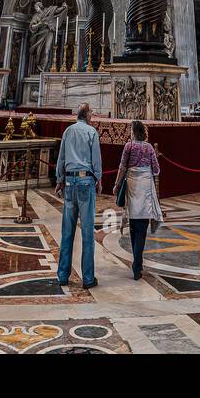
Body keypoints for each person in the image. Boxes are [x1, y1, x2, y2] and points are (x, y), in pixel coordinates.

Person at [55, 102, 101, 289]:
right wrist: (98, 178)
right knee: (88, 232)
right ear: (88, 115)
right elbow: (96, 159)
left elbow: (62, 158)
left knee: (67, 231)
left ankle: (62, 275)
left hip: (69, 182)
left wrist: (59, 179)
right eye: (91, 113)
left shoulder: (68, 131)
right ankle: (88, 278)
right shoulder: (91, 132)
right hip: (85, 182)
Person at [113, 119, 162, 280]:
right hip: (145, 188)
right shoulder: (148, 148)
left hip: (132, 187)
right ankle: (137, 265)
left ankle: (137, 263)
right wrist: (145, 170)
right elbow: (156, 170)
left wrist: (117, 184)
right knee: (142, 228)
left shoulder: (129, 146)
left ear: (134, 132)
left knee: (134, 226)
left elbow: (122, 167)